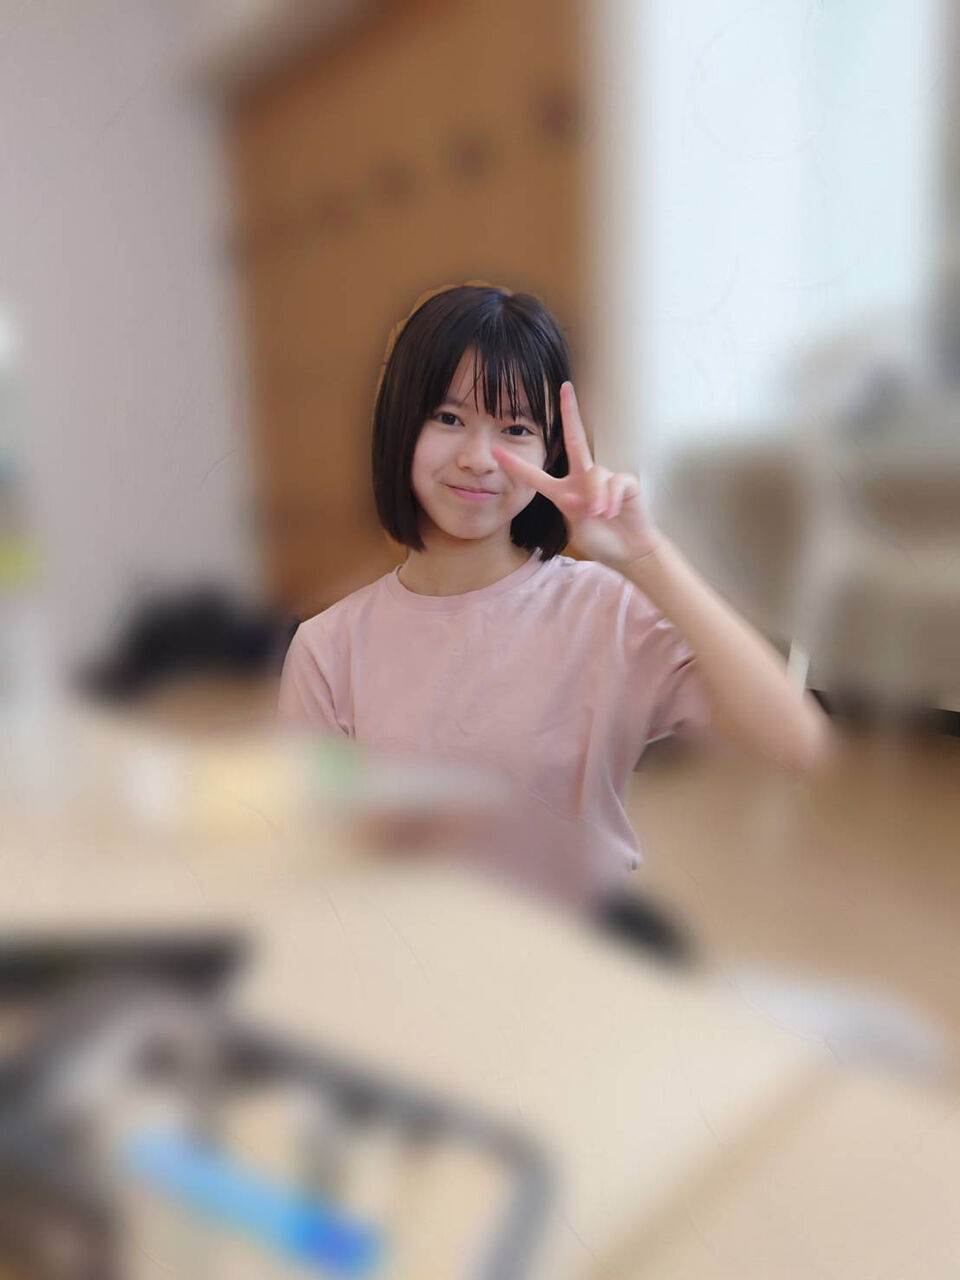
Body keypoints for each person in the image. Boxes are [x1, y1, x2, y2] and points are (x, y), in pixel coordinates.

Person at [278, 283, 831, 955]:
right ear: (401, 425)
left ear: (550, 453)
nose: (478, 457)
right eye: (449, 418)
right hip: (414, 963)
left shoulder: (603, 610)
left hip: (586, 961)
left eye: (516, 429)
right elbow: (315, 860)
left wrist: (647, 557)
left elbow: (795, 742)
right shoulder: (328, 649)